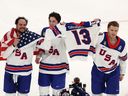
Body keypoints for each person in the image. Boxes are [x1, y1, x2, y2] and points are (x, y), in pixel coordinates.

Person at [1, 17, 49, 96]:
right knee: (9, 94)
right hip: (10, 71)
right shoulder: (8, 35)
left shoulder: (32, 37)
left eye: (24, 24)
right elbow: (4, 55)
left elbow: (43, 47)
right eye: (20, 24)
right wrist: (13, 45)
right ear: (16, 24)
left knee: (23, 94)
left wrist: (38, 56)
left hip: (25, 72)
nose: (22, 26)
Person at [35, 12, 69, 96]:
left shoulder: (64, 31)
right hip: (45, 67)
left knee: (57, 93)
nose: (51, 23)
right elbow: (40, 45)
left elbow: (73, 40)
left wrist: (66, 28)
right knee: (43, 92)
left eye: (53, 21)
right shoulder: (44, 30)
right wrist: (38, 55)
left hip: (59, 67)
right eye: (50, 21)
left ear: (58, 22)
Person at [91, 21, 127, 96]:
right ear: (107, 29)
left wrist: (122, 73)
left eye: (116, 30)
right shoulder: (100, 37)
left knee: (112, 94)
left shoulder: (122, 44)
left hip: (113, 72)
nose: (114, 32)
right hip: (98, 70)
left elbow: (123, 59)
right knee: (96, 93)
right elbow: (89, 36)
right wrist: (93, 24)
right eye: (112, 30)